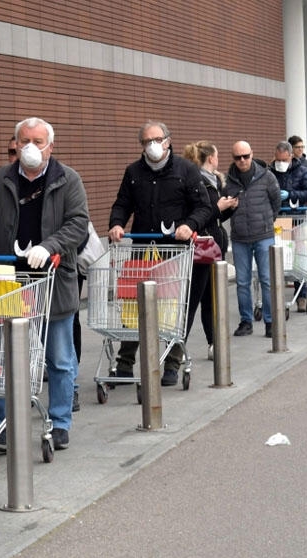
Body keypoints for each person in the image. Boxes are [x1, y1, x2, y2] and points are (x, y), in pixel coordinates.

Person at [0, 117, 88, 451]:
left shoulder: (67, 180)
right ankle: (5, 425)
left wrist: (50, 246)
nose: (31, 147)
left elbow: (78, 225)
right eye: (25, 140)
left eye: (38, 141)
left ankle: (59, 422)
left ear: (51, 146)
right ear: (15, 144)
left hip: (52, 281)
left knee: (59, 358)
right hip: (6, 280)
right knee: (6, 359)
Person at [108, 121, 212, 385]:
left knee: (173, 306)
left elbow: (203, 206)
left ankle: (172, 362)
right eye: (146, 141)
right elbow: (122, 203)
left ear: (168, 140)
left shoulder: (186, 170)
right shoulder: (133, 172)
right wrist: (117, 224)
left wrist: (189, 225)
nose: (152, 145)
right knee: (134, 304)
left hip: (174, 251)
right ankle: (125, 362)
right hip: (142, 248)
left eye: (157, 139)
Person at [183, 141, 237, 360]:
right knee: (192, 300)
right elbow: (201, 214)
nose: (219, 159)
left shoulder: (214, 180)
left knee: (211, 298)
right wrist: (218, 207)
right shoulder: (196, 181)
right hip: (200, 247)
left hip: (214, 245)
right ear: (210, 158)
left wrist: (230, 208)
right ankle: (177, 349)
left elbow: (214, 217)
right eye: (217, 155)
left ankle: (214, 342)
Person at [222, 140, 281, 337]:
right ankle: (245, 321)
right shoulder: (228, 181)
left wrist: (268, 221)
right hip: (239, 237)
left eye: (246, 156)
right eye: (238, 157)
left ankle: (270, 322)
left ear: (252, 154)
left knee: (267, 279)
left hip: (263, 235)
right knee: (242, 281)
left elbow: (276, 201)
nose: (242, 160)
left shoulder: (267, 176)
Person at [269, 140, 307, 311]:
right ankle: (275, 295)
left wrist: (290, 194)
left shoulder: (302, 171)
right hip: (277, 220)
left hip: (297, 218)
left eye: (284, 160)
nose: (280, 163)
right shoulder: (269, 172)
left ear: (290, 157)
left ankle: (302, 295)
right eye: (278, 160)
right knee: (280, 258)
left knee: (299, 258)